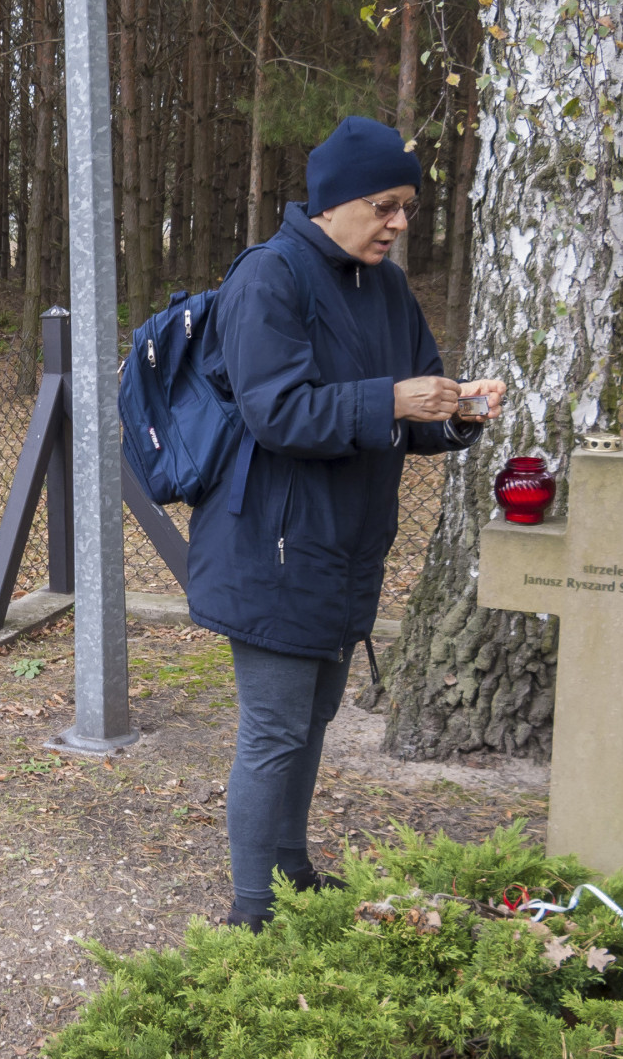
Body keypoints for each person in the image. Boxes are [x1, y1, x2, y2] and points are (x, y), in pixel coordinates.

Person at [186, 115, 506, 931]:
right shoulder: (270, 278)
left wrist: (457, 414)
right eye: (385, 206)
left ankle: (290, 872)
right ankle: (253, 916)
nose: (399, 224)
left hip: (346, 544)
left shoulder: (386, 286)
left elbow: (416, 401)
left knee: (314, 716)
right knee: (274, 727)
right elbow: (276, 413)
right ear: (333, 203)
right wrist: (389, 399)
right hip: (274, 544)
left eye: (407, 208)